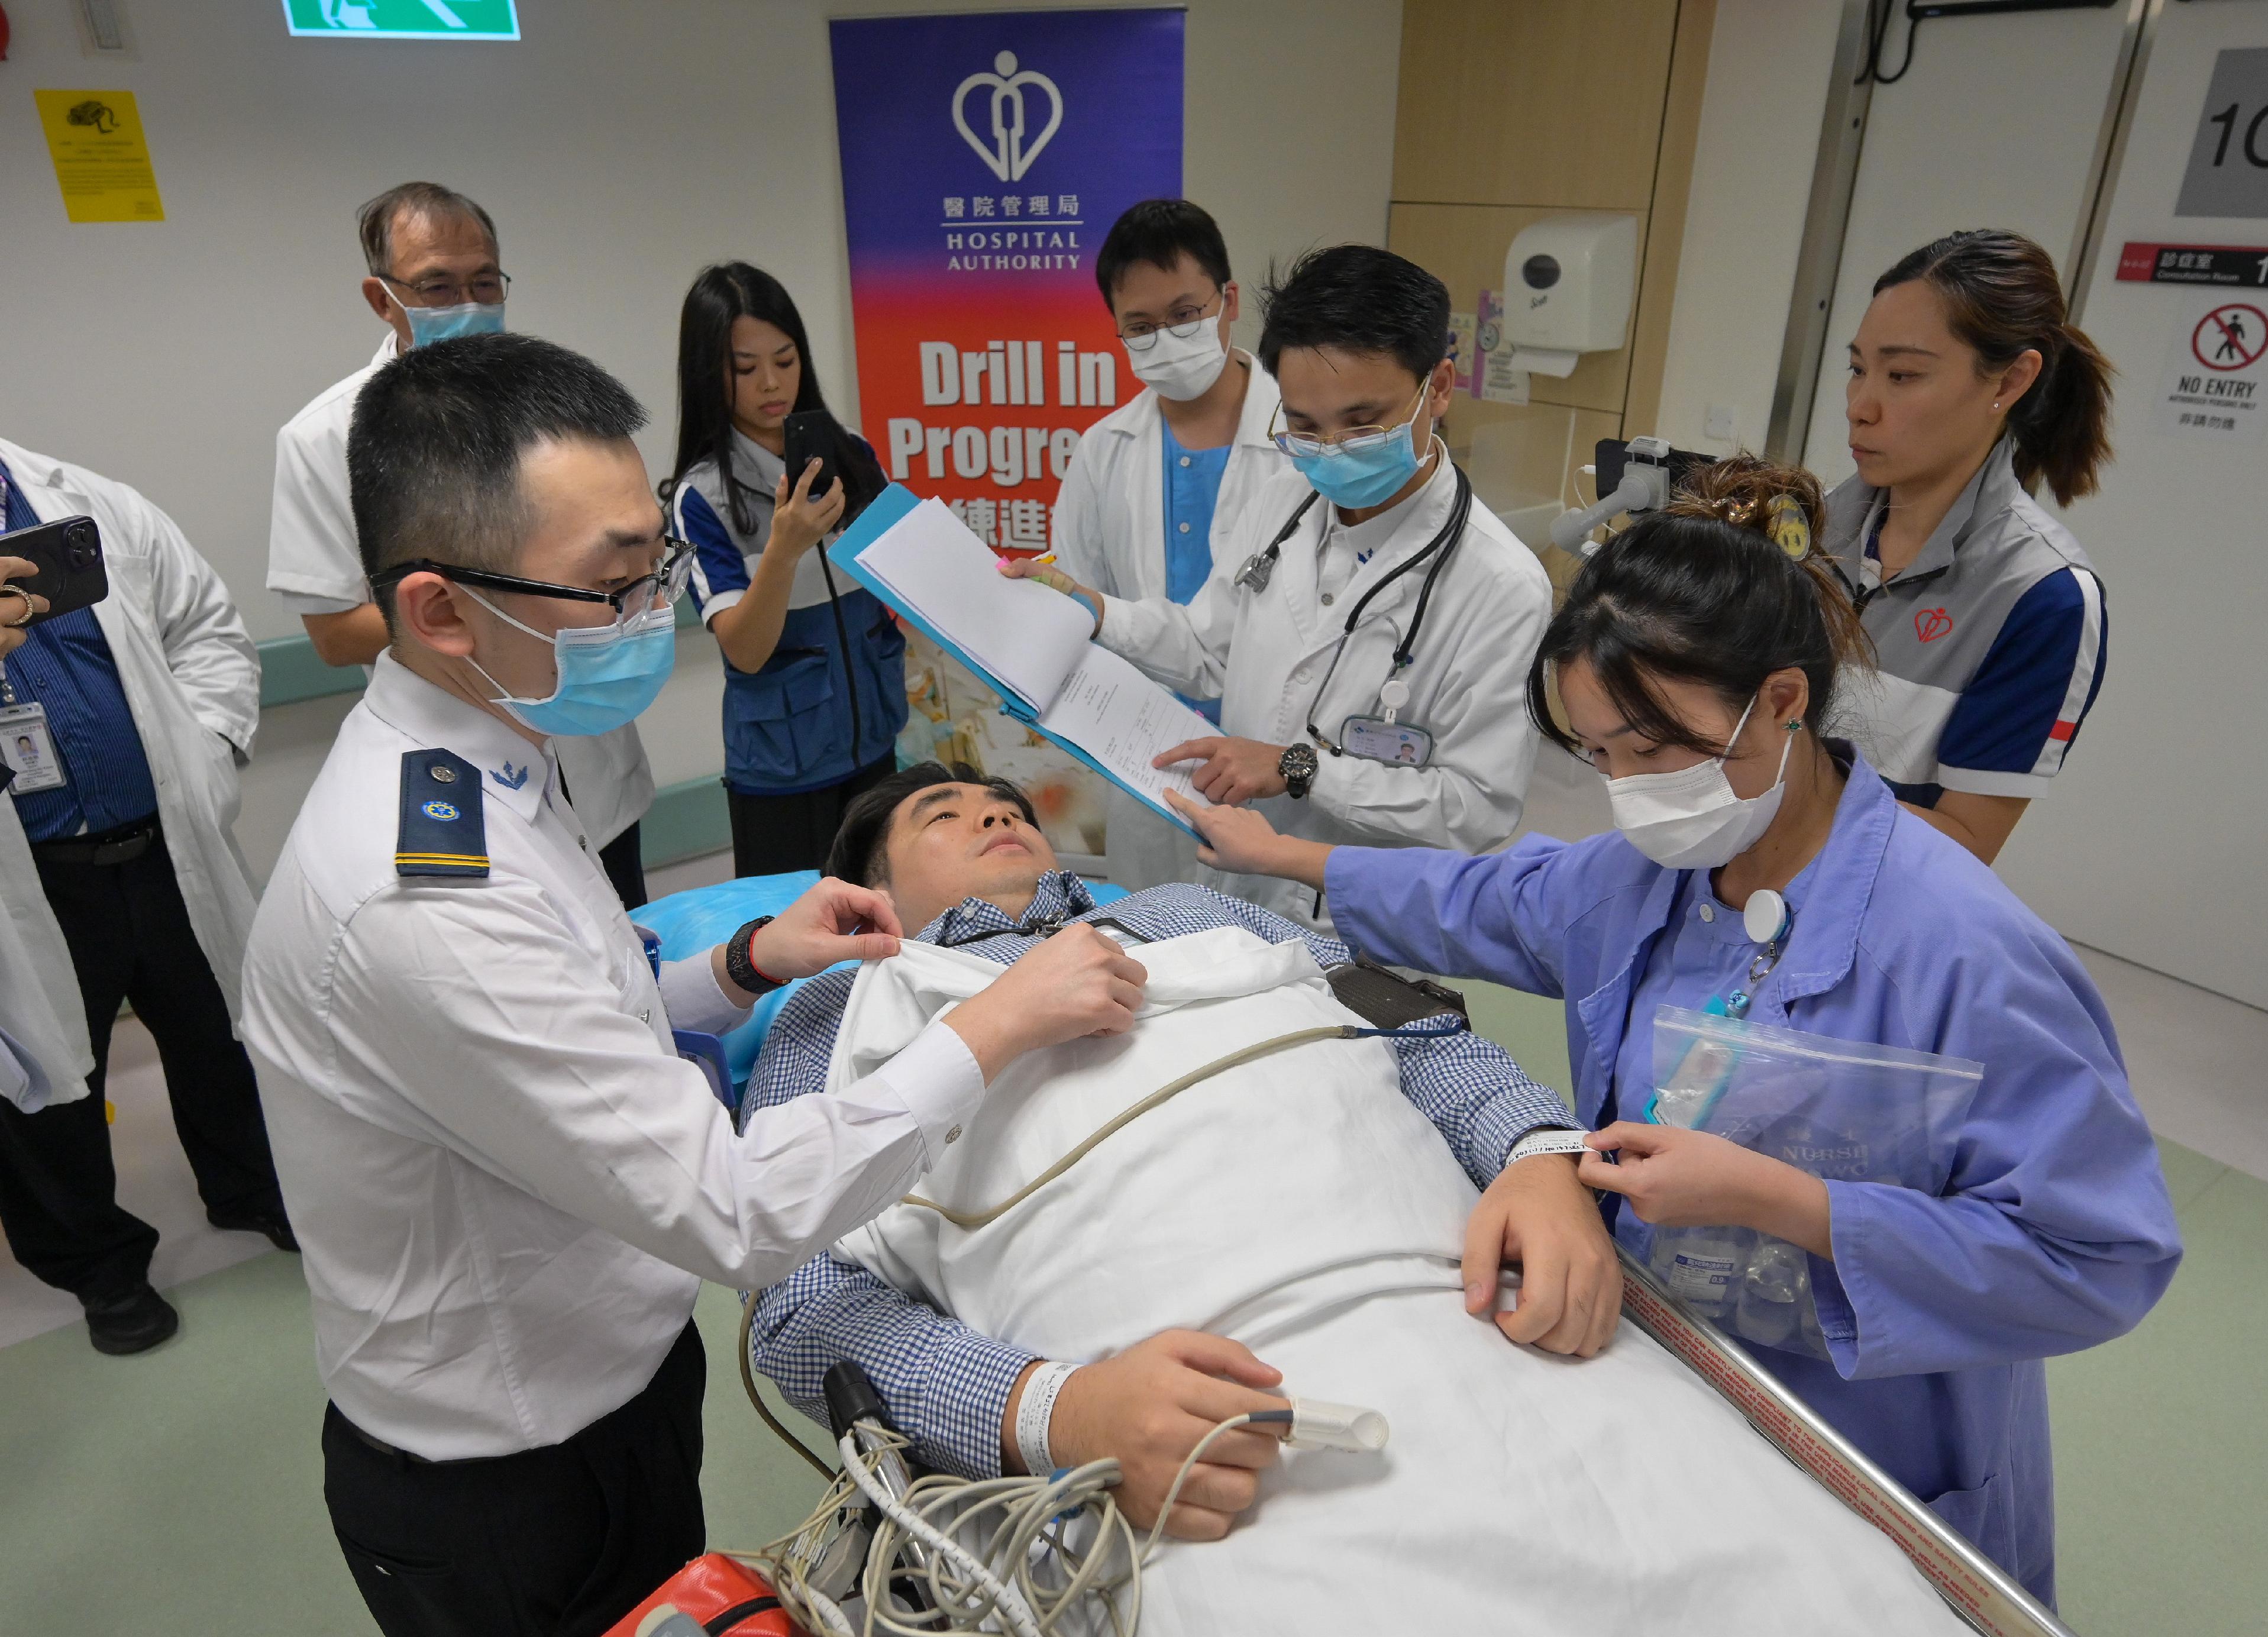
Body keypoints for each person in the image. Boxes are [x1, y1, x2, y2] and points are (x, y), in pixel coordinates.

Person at [240, 334, 1146, 1637]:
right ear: (440, 609)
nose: (653, 614)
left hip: (616, 1369)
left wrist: (737, 965)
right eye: (614, 585)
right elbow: (738, 1211)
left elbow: (567, 1019)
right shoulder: (418, 893)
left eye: (654, 563)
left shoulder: (491, 747)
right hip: (507, 1469)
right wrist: (999, 1020)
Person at [1175, 455, 2182, 1605]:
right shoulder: (1642, 877)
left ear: (1784, 700)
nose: (1628, 789)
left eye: (1655, 750)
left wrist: (1782, 1201)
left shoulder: (1961, 950)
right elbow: (1483, 898)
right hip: (1669, 1380)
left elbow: (2098, 1256)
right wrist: (1283, 855)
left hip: (1880, 1442)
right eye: (1598, 755)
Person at [740, 763, 1972, 1633]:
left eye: (1007, 803)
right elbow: (798, 1312)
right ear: (869, 892)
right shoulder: (845, 1009)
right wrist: (1057, 1412)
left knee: (1791, 1580)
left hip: (1481, 1313)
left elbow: (1426, 1042)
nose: (995, 817)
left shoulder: (1195, 913)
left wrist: (1540, 1157)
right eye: (946, 815)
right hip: (1212, 1405)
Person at [1010, 246, 1550, 928]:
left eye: (1363, 422)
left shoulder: (1499, 586)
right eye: (1303, 424)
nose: (1330, 450)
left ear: (1438, 387)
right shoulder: (1279, 500)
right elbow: (1208, 650)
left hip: (1358, 918)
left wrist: (1303, 768)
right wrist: (1095, 612)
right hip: (1239, 878)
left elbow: (1475, 808)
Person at [267, 180, 657, 905]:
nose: (469, 304)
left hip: (590, 753)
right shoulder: (324, 436)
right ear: (382, 299)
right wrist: (496, 609)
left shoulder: (557, 406)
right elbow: (329, 634)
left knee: (631, 953)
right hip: (464, 764)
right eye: (438, 286)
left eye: (484, 281)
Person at [0, 438, 291, 1356]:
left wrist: (205, 755)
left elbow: (204, 624)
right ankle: (99, 1266)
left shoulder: (86, 502)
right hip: (28, 878)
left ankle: (254, 1187)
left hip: (166, 846)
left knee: (222, 1030)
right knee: (45, 1088)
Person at [1830, 228, 2115, 864]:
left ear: (2011, 381)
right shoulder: (1803, 529)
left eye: (1901, 374)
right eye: (1856, 369)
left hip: (1864, 926)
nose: (1860, 406)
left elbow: (1963, 843)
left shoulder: (2042, 597)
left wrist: (1778, 791)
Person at [1050, 199, 1298, 888]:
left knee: (1270, 944)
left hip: (1273, 757)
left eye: (1185, 314)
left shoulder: (1302, 438)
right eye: (1141, 326)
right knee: (1152, 939)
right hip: (1147, 754)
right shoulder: (1104, 451)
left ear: (1228, 301)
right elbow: (1078, 605)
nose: (1165, 337)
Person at [664, 263, 906, 877]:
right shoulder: (702, 496)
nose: (772, 383)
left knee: (888, 932)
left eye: (786, 358)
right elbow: (744, 651)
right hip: (781, 772)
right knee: (799, 953)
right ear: (707, 375)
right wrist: (783, 549)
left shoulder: (851, 452)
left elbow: (902, 574)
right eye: (744, 369)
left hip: (875, 745)